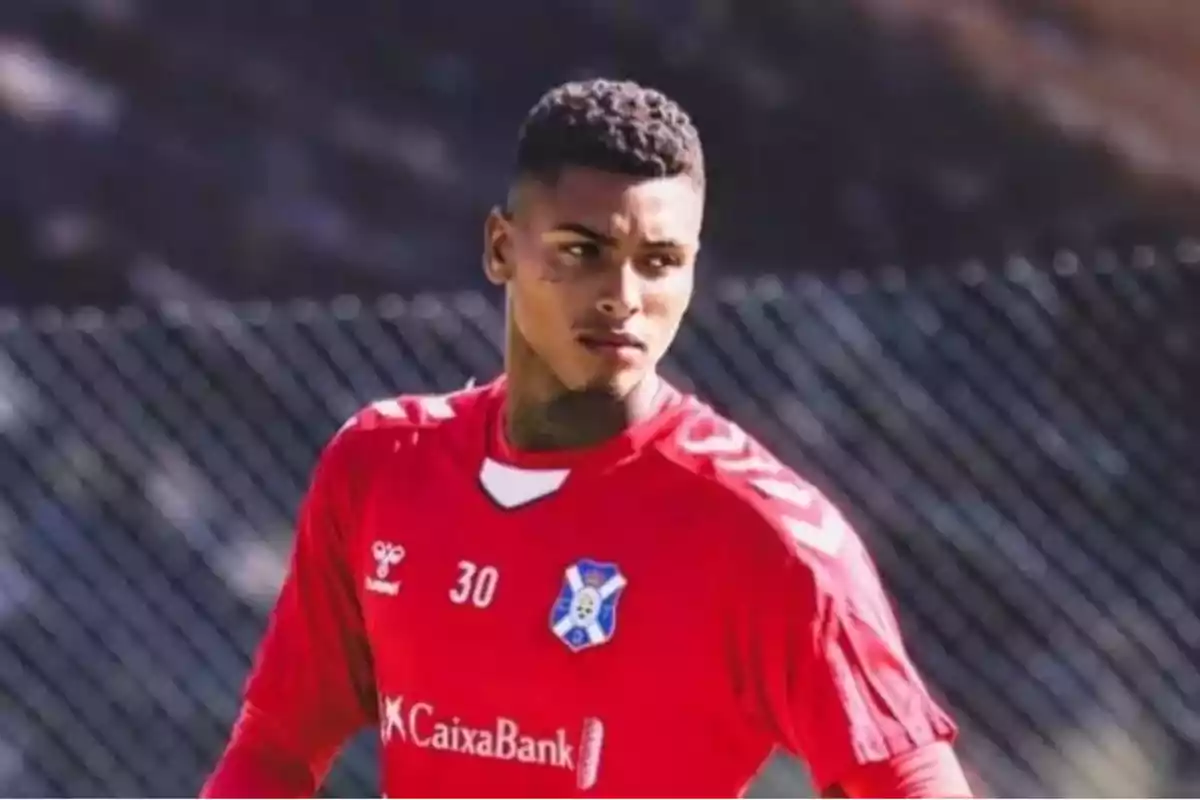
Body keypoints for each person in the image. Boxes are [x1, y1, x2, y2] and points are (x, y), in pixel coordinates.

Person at [202, 78, 971, 798]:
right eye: (582, 251)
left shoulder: (766, 538)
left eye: (660, 263)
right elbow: (275, 748)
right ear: (502, 248)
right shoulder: (379, 467)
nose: (622, 298)